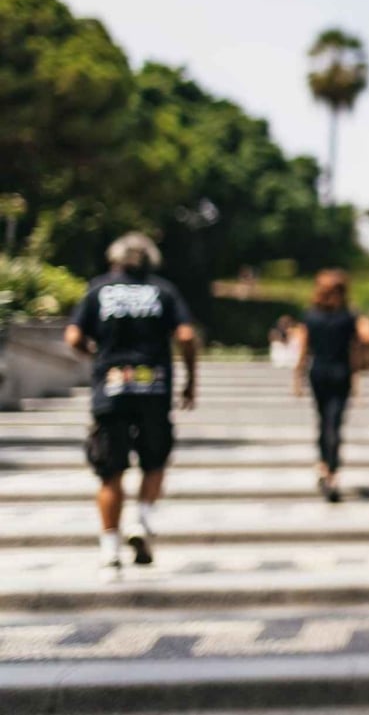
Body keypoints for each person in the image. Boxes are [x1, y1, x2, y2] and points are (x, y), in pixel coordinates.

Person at [65, 232, 197, 581]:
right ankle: (142, 519)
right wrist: (190, 379)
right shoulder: (163, 291)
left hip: (111, 388)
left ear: (115, 258)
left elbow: (73, 337)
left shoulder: (99, 290)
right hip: (154, 389)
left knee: (110, 471)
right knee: (155, 460)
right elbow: (185, 335)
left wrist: (96, 357)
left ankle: (109, 549)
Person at [292, 269, 369, 503]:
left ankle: (323, 465)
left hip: (318, 372)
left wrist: (297, 377)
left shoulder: (311, 315)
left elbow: (303, 348)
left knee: (322, 421)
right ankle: (332, 471)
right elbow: (368, 337)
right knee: (335, 422)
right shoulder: (348, 317)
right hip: (341, 374)